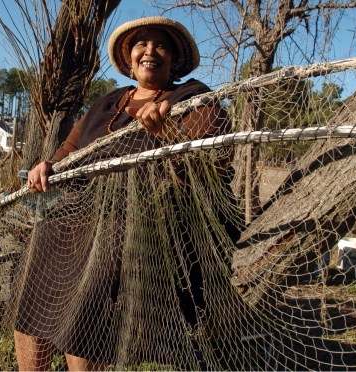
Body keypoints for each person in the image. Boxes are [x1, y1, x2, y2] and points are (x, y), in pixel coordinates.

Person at [14, 16, 233, 371]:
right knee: (33, 288)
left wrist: (167, 137)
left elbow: (212, 163)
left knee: (90, 302)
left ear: (174, 59)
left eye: (160, 44)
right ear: (129, 58)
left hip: (137, 223)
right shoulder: (107, 102)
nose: (150, 51)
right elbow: (71, 148)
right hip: (75, 214)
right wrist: (47, 165)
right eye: (141, 44)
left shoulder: (191, 98)